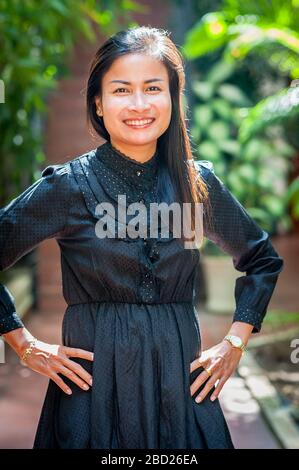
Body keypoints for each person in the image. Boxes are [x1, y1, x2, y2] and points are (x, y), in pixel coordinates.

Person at [0, 26, 283, 449]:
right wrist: (24, 345)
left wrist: (234, 343)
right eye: (120, 90)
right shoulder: (69, 186)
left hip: (181, 386)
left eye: (153, 88)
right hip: (93, 391)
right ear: (98, 102)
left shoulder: (197, 184)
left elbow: (261, 259)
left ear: (172, 97)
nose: (138, 104)